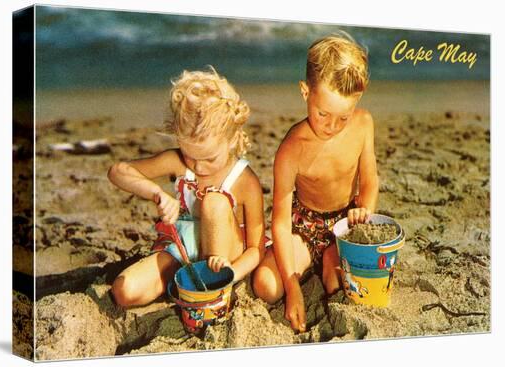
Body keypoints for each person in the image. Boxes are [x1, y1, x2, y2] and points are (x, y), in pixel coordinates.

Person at [109, 67, 267, 308]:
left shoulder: (245, 181)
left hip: (225, 254)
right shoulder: (178, 162)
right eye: (190, 156)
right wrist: (157, 193)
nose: (200, 167)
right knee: (124, 292)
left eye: (210, 158)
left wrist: (232, 273)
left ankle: (212, 289)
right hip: (184, 245)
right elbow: (118, 172)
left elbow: (256, 249)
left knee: (214, 201)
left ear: (233, 139)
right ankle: (187, 282)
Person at [252, 33, 379, 332]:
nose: (332, 126)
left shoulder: (363, 125)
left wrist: (364, 211)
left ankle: (327, 262)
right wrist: (292, 287)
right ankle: (307, 266)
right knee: (266, 287)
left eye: (342, 117)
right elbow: (280, 224)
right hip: (302, 226)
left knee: (341, 283)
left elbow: (371, 180)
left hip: (345, 223)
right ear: (305, 92)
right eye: (323, 114)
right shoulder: (291, 149)